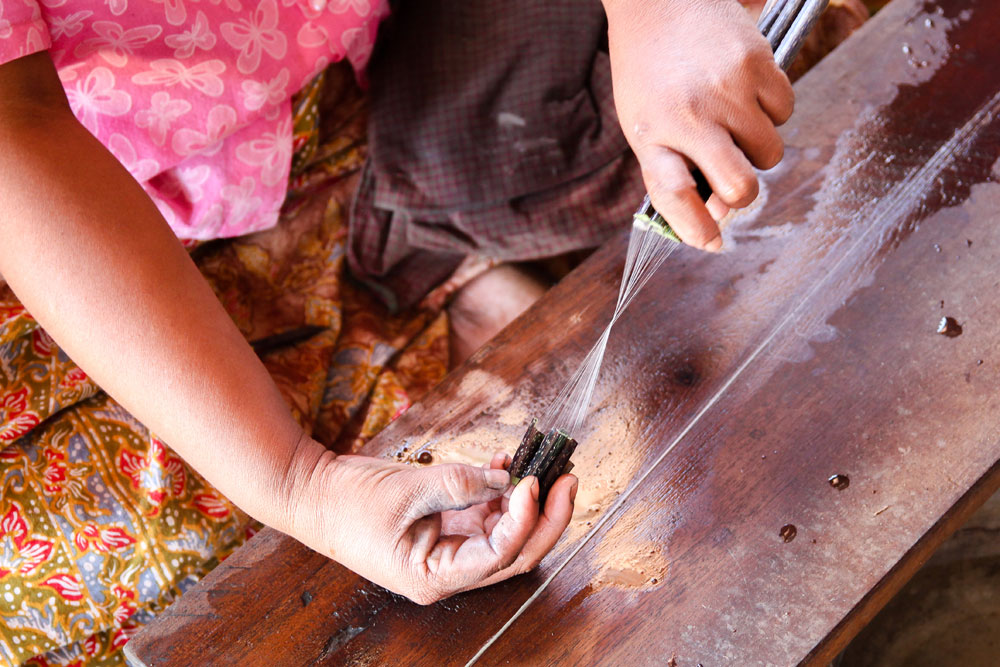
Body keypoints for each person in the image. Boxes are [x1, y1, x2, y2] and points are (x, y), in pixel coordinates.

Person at [0, 0, 804, 663]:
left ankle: (429, 246)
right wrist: (298, 483)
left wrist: (655, 14)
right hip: (145, 175)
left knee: (721, 99)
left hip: (387, 40)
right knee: (148, 567)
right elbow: (15, 124)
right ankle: (434, 253)